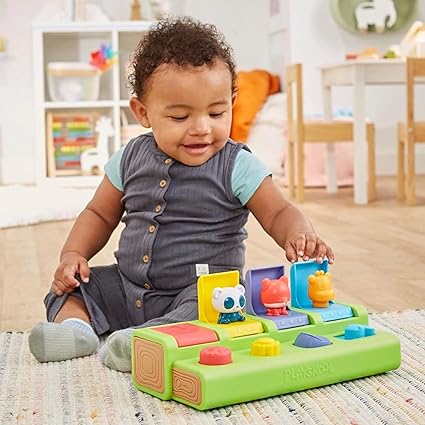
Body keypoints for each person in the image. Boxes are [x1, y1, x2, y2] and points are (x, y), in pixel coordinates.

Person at [28, 16, 334, 372]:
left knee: (215, 310)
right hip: (128, 287)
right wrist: (73, 255)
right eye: (179, 117)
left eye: (217, 113)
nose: (201, 128)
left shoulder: (237, 164)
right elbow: (99, 213)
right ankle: (77, 330)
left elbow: (279, 211)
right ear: (143, 112)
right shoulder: (129, 157)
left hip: (201, 291)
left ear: (232, 102)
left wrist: (299, 233)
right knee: (72, 288)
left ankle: (149, 340)